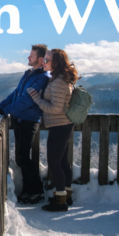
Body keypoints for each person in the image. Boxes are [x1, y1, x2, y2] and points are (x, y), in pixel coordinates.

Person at [0, 44, 50, 205]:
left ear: (39, 59)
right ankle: (27, 190)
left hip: (29, 120)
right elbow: (15, 94)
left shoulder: (42, 77)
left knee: (23, 156)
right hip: (19, 119)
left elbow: (27, 99)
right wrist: (0, 108)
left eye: (31, 55)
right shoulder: (28, 74)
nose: (28, 57)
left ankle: (37, 191)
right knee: (21, 157)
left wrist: (6, 111)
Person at [28, 49, 78, 212]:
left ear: (56, 63)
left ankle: (60, 201)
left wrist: (37, 99)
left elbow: (55, 108)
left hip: (59, 125)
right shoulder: (59, 79)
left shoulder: (58, 82)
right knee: (62, 161)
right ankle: (66, 196)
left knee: (55, 163)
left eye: (47, 60)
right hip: (63, 125)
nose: (44, 62)